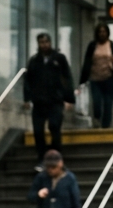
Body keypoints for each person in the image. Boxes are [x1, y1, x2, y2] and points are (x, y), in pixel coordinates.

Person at [23, 32, 76, 165]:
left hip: (55, 100)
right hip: (39, 101)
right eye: (41, 42)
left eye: (46, 42)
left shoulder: (59, 58)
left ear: (50, 42)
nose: (44, 45)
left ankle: (56, 155)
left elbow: (68, 78)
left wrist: (69, 99)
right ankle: (42, 158)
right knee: (38, 131)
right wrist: (27, 99)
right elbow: (28, 80)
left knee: (54, 126)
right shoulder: (34, 61)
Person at [81, 24, 113, 129]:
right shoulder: (92, 46)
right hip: (95, 78)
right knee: (96, 102)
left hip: (109, 78)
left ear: (107, 33)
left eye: (104, 31)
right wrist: (83, 79)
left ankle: (106, 125)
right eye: (100, 32)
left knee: (108, 102)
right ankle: (97, 120)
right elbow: (87, 62)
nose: (102, 34)